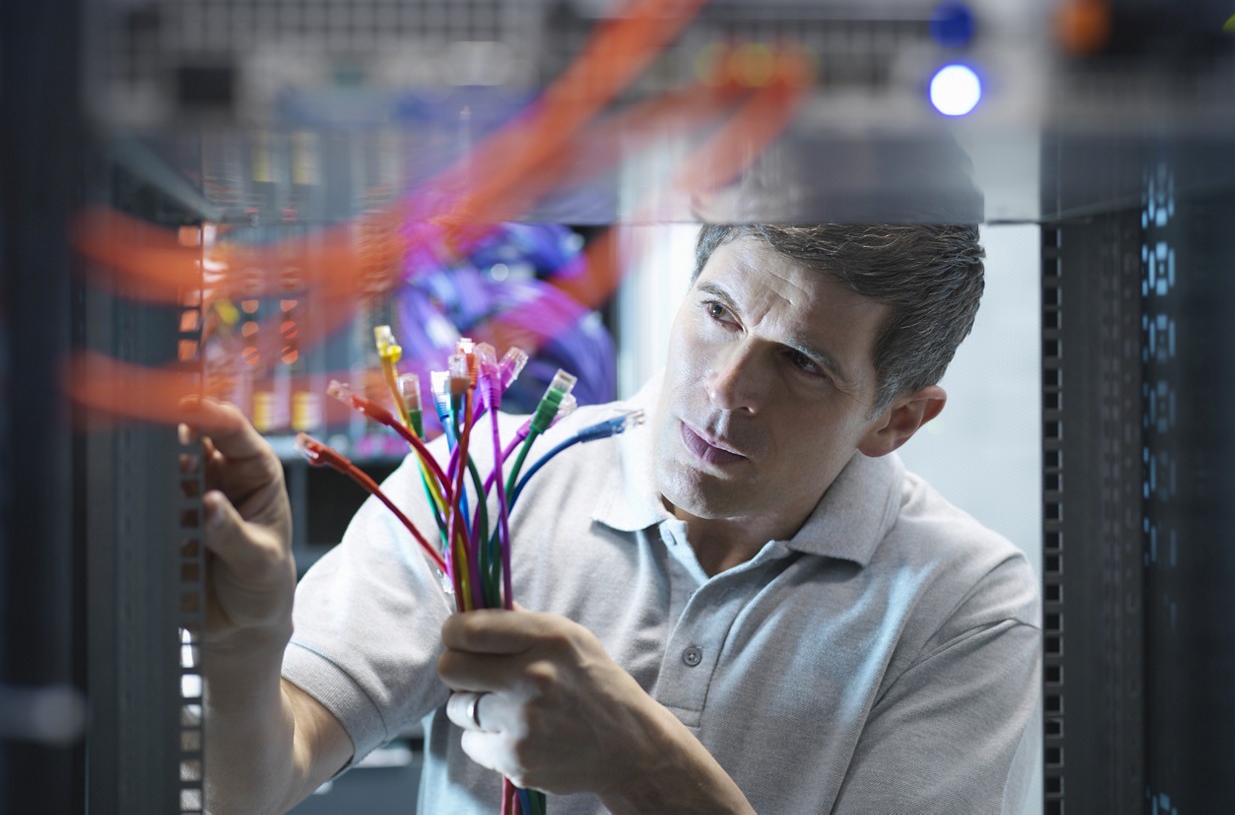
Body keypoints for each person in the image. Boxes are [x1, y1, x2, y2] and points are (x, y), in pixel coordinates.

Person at [193, 223, 1040, 815]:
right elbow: (246, 792)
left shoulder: (965, 601)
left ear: (897, 420)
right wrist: (246, 640)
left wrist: (644, 766)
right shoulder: (483, 481)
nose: (727, 389)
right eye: (719, 316)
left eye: (800, 363)